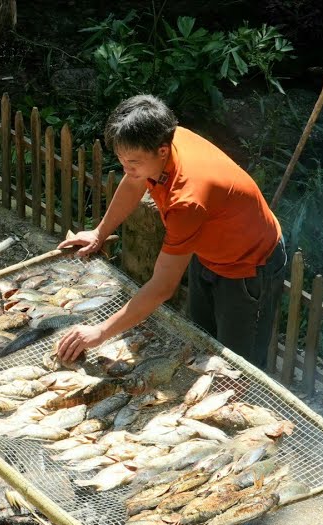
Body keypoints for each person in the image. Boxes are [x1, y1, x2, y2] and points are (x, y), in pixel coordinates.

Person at [56, 94, 286, 368]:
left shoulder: (186, 199)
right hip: (209, 252)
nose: (125, 168)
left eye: (133, 162)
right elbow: (132, 182)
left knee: (238, 367)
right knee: (204, 341)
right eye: (121, 159)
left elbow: (163, 287)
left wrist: (101, 332)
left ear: (162, 151)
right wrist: (99, 232)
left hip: (250, 266)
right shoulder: (163, 138)